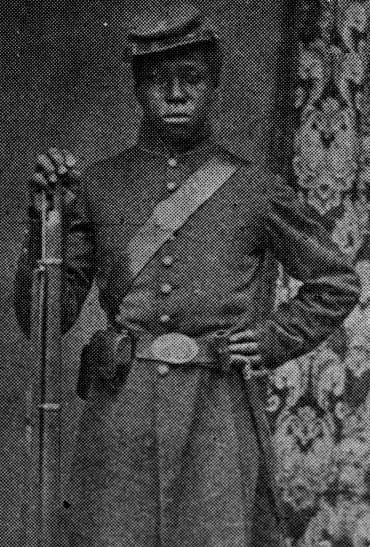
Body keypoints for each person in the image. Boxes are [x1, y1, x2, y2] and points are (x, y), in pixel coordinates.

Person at [14, 3, 360, 546]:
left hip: (216, 418)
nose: (175, 94)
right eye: (158, 80)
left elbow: (336, 282)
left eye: (191, 79)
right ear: (136, 87)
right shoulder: (96, 187)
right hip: (120, 418)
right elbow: (45, 322)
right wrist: (45, 227)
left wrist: (270, 340)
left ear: (214, 85)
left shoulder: (254, 190)